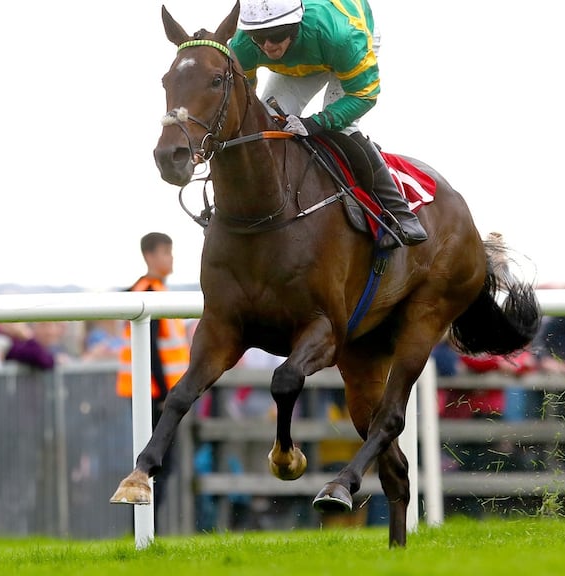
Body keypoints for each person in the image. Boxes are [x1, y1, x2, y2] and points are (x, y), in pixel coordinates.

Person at [230, 0, 428, 250]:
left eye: (276, 36)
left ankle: (402, 215)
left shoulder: (343, 38)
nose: (268, 46)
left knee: (340, 128)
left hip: (343, 45)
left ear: (294, 25)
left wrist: (316, 123)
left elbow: (364, 95)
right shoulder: (243, 45)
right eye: (258, 37)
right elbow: (243, 100)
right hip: (304, 54)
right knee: (265, 124)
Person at [115, 232, 191, 519]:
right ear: (150, 256)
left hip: (149, 393)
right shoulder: (149, 293)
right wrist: (164, 394)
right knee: (157, 465)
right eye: (165, 253)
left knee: (152, 464)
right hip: (156, 396)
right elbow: (151, 350)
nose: (170, 259)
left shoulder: (142, 289)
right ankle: (146, 528)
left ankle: (144, 528)